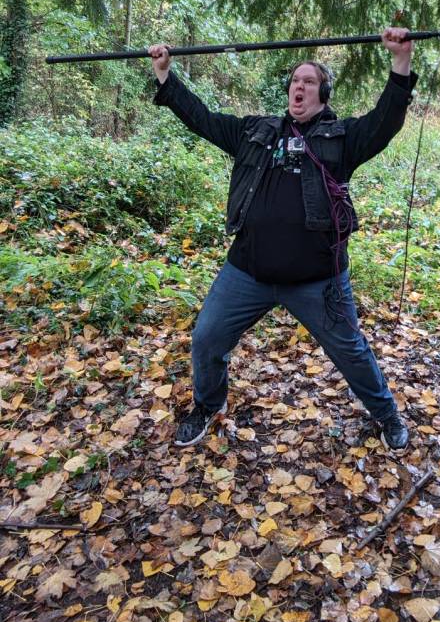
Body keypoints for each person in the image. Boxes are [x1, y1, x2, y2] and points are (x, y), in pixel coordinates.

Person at [148, 29, 416, 452]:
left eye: (309, 82)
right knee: (207, 338)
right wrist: (166, 76)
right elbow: (203, 119)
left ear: (323, 94)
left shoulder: (342, 138)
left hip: (317, 280)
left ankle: (386, 415)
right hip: (247, 271)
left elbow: (384, 122)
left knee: (351, 352)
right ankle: (207, 405)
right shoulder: (257, 132)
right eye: (295, 81)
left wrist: (400, 63)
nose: (299, 87)